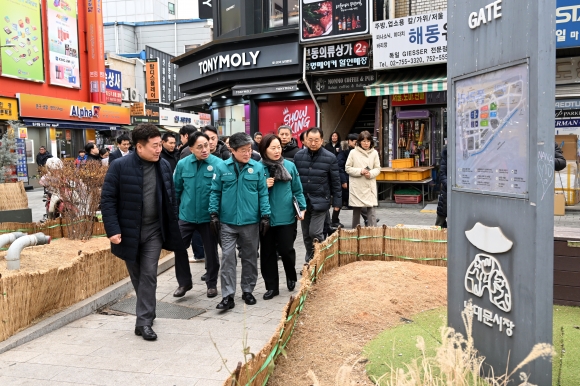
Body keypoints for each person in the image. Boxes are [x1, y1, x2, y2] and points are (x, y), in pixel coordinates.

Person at [101, 123, 184, 341]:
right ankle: (146, 311)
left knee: (148, 273)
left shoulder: (164, 166)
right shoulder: (119, 166)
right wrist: (113, 229)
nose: (159, 149)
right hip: (128, 232)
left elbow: (171, 197)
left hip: (154, 231)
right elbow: (108, 200)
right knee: (137, 275)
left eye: (160, 145)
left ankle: (144, 321)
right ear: (139, 147)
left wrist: (172, 221)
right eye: (155, 146)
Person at [209, 132, 271, 310]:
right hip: (227, 222)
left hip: (250, 222)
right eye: (243, 150)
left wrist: (265, 216)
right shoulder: (222, 168)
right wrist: (213, 213)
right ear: (232, 150)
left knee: (250, 257)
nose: (247, 153)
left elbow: (263, 193)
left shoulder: (257, 168)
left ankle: (248, 290)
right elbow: (215, 192)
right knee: (228, 257)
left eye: (249, 149)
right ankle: (228, 296)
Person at [173, 132, 225, 299]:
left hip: (209, 216)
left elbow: (224, 191)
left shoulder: (219, 164)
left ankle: (211, 284)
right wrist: (175, 213)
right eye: (199, 147)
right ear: (191, 149)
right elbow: (176, 189)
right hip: (186, 215)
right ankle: (184, 282)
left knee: (211, 251)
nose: (205, 149)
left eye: (206, 144)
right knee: (179, 247)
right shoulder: (182, 164)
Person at [259, 134, 306, 300]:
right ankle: (271, 287)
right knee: (268, 253)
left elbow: (297, 190)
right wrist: (262, 186)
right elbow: (249, 192)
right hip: (265, 219)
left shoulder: (290, 166)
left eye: (279, 147)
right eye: (273, 148)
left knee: (286, 250)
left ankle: (290, 274)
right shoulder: (257, 168)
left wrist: (302, 208)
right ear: (264, 150)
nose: (277, 151)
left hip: (286, 216)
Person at [294, 127, 342, 262]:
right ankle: (311, 261)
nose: (313, 143)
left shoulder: (330, 157)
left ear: (322, 140)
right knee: (306, 234)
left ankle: (322, 258)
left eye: (316, 140)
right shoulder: (298, 156)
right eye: (310, 140)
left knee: (314, 232)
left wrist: (338, 202)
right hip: (303, 202)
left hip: (321, 201)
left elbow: (336, 182)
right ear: (305, 140)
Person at [345, 131, 381, 228]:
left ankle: (374, 234)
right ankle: (355, 233)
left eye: (368, 141)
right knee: (356, 212)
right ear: (359, 141)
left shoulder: (374, 153)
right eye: (364, 141)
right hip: (357, 186)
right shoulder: (353, 153)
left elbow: (377, 168)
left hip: (369, 185)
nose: (366, 143)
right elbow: (347, 168)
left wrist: (370, 173)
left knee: (372, 211)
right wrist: (360, 171)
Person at [436, 146, 448, 229]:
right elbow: (442, 173)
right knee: (439, 224)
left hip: (459, 193)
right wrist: (448, 185)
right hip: (446, 192)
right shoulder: (446, 152)